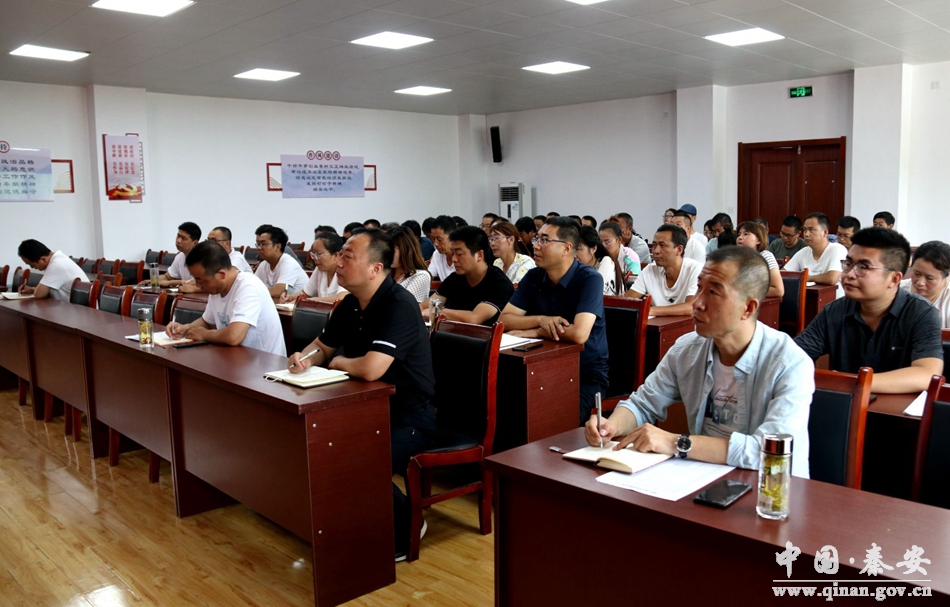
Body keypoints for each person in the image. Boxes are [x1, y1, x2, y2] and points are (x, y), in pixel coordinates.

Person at [586, 246, 813, 478]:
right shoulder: (687, 349)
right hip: (705, 479)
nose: (697, 303)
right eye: (699, 288)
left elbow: (770, 451)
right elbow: (643, 404)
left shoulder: (789, 364)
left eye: (713, 292)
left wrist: (677, 442)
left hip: (771, 489)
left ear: (748, 308)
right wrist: (611, 425)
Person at [286, 230, 435, 563]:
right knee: (316, 447)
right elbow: (322, 347)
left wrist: (339, 362)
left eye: (347, 256)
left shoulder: (399, 305)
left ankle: (406, 529)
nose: (338, 262)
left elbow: (370, 369)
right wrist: (303, 358)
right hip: (363, 410)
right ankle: (341, 524)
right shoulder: (351, 303)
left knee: (359, 461)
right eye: (340, 254)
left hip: (409, 417)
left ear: (375, 268)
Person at [795, 228, 943, 394]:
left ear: (894, 279)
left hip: (897, 408)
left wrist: (850, 382)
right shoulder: (834, 311)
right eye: (848, 264)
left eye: (863, 267)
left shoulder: (921, 313)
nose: (850, 275)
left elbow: (926, 374)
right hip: (846, 406)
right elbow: (793, 358)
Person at [499, 217, 608, 423]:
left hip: (583, 374)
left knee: (551, 421)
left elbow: (579, 334)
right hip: (540, 367)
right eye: (536, 239)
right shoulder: (534, 276)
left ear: (566, 248)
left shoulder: (590, 279)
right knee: (509, 412)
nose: (536, 245)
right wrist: (542, 320)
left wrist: (537, 331)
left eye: (544, 240)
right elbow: (505, 319)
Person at [165, 241, 285, 356]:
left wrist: (205, 334)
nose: (197, 285)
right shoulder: (216, 289)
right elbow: (208, 322)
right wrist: (185, 328)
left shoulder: (248, 286)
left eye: (200, 280)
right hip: (235, 358)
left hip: (264, 365)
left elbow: (234, 336)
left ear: (221, 274)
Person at [423, 226, 513, 325]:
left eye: (459, 254)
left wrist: (438, 311)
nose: (454, 259)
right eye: (453, 254)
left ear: (479, 255)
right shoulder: (455, 279)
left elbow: (474, 318)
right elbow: (427, 305)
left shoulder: (499, 284)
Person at [625, 225, 702, 317]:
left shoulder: (695, 269)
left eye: (662, 245)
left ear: (679, 250)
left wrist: (648, 310)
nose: (656, 251)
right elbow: (627, 301)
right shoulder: (650, 269)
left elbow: (692, 307)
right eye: (654, 245)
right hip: (655, 325)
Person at [784, 212, 848, 298]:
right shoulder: (804, 252)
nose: (806, 234)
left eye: (811, 230)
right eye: (805, 230)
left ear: (825, 232)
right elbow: (784, 274)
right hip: (808, 300)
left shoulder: (838, 249)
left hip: (834, 302)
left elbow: (832, 278)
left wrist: (806, 277)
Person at [900, 240, 950, 329]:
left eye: (929, 278)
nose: (920, 283)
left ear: (947, 276)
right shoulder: (897, 290)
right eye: (917, 274)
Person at [16, 239, 85, 301]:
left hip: (78, 309)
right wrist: (31, 290)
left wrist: (34, 290)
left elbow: (39, 294)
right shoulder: (58, 259)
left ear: (43, 259)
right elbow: (47, 291)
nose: (32, 267)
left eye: (32, 264)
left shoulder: (57, 264)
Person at [253, 225, 308, 298]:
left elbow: (278, 292)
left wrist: (255, 292)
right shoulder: (264, 265)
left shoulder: (288, 263)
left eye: (263, 244)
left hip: (297, 304)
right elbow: (253, 286)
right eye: (258, 244)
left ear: (278, 247)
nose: (259, 248)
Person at [292, 231, 348, 302]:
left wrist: (309, 301)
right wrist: (291, 297)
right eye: (313, 254)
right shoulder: (320, 269)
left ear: (336, 255)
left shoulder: (345, 270)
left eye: (319, 254)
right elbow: (305, 293)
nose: (315, 258)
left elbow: (341, 299)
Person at [144, 222, 200, 288]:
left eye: (183, 238)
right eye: (178, 236)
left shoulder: (203, 258)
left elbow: (197, 282)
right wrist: (152, 281)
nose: (178, 241)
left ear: (195, 243)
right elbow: (167, 277)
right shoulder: (180, 257)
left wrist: (169, 283)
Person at [736, 221, 784, 298]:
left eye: (746, 234)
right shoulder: (736, 258)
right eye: (739, 234)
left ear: (758, 240)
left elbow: (778, 290)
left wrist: (747, 291)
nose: (740, 237)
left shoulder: (765, 256)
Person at [390, 226, 432, 303]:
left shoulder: (420, 276)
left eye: (392, 250)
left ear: (406, 250)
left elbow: (403, 305)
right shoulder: (386, 273)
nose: (387, 254)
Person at [578, 225, 623, 296]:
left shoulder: (606, 261)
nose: (574, 255)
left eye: (578, 249)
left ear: (593, 249)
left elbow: (594, 291)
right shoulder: (580, 267)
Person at [427, 215, 457, 281]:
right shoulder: (437, 254)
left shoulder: (462, 257)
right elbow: (428, 277)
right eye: (433, 239)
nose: (435, 243)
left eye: (439, 239)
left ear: (452, 237)